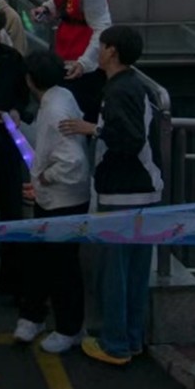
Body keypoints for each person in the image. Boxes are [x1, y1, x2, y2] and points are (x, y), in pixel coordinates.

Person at [58, 26, 163, 367]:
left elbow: (129, 139)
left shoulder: (119, 90)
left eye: (100, 47)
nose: (97, 53)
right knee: (135, 272)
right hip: (144, 191)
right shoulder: (134, 85)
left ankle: (115, 344)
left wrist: (93, 128)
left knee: (115, 273)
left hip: (123, 193)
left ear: (112, 51)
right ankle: (130, 339)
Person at [14, 51, 89, 354]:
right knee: (43, 260)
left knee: (62, 267)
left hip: (62, 201)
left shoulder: (55, 108)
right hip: (57, 199)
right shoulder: (62, 96)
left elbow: (73, 161)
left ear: (30, 80)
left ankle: (69, 328)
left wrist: (45, 177)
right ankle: (34, 316)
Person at [34, 0, 110, 122]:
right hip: (66, 49)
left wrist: (84, 62)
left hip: (85, 58)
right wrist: (47, 9)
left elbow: (102, 26)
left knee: (80, 113)